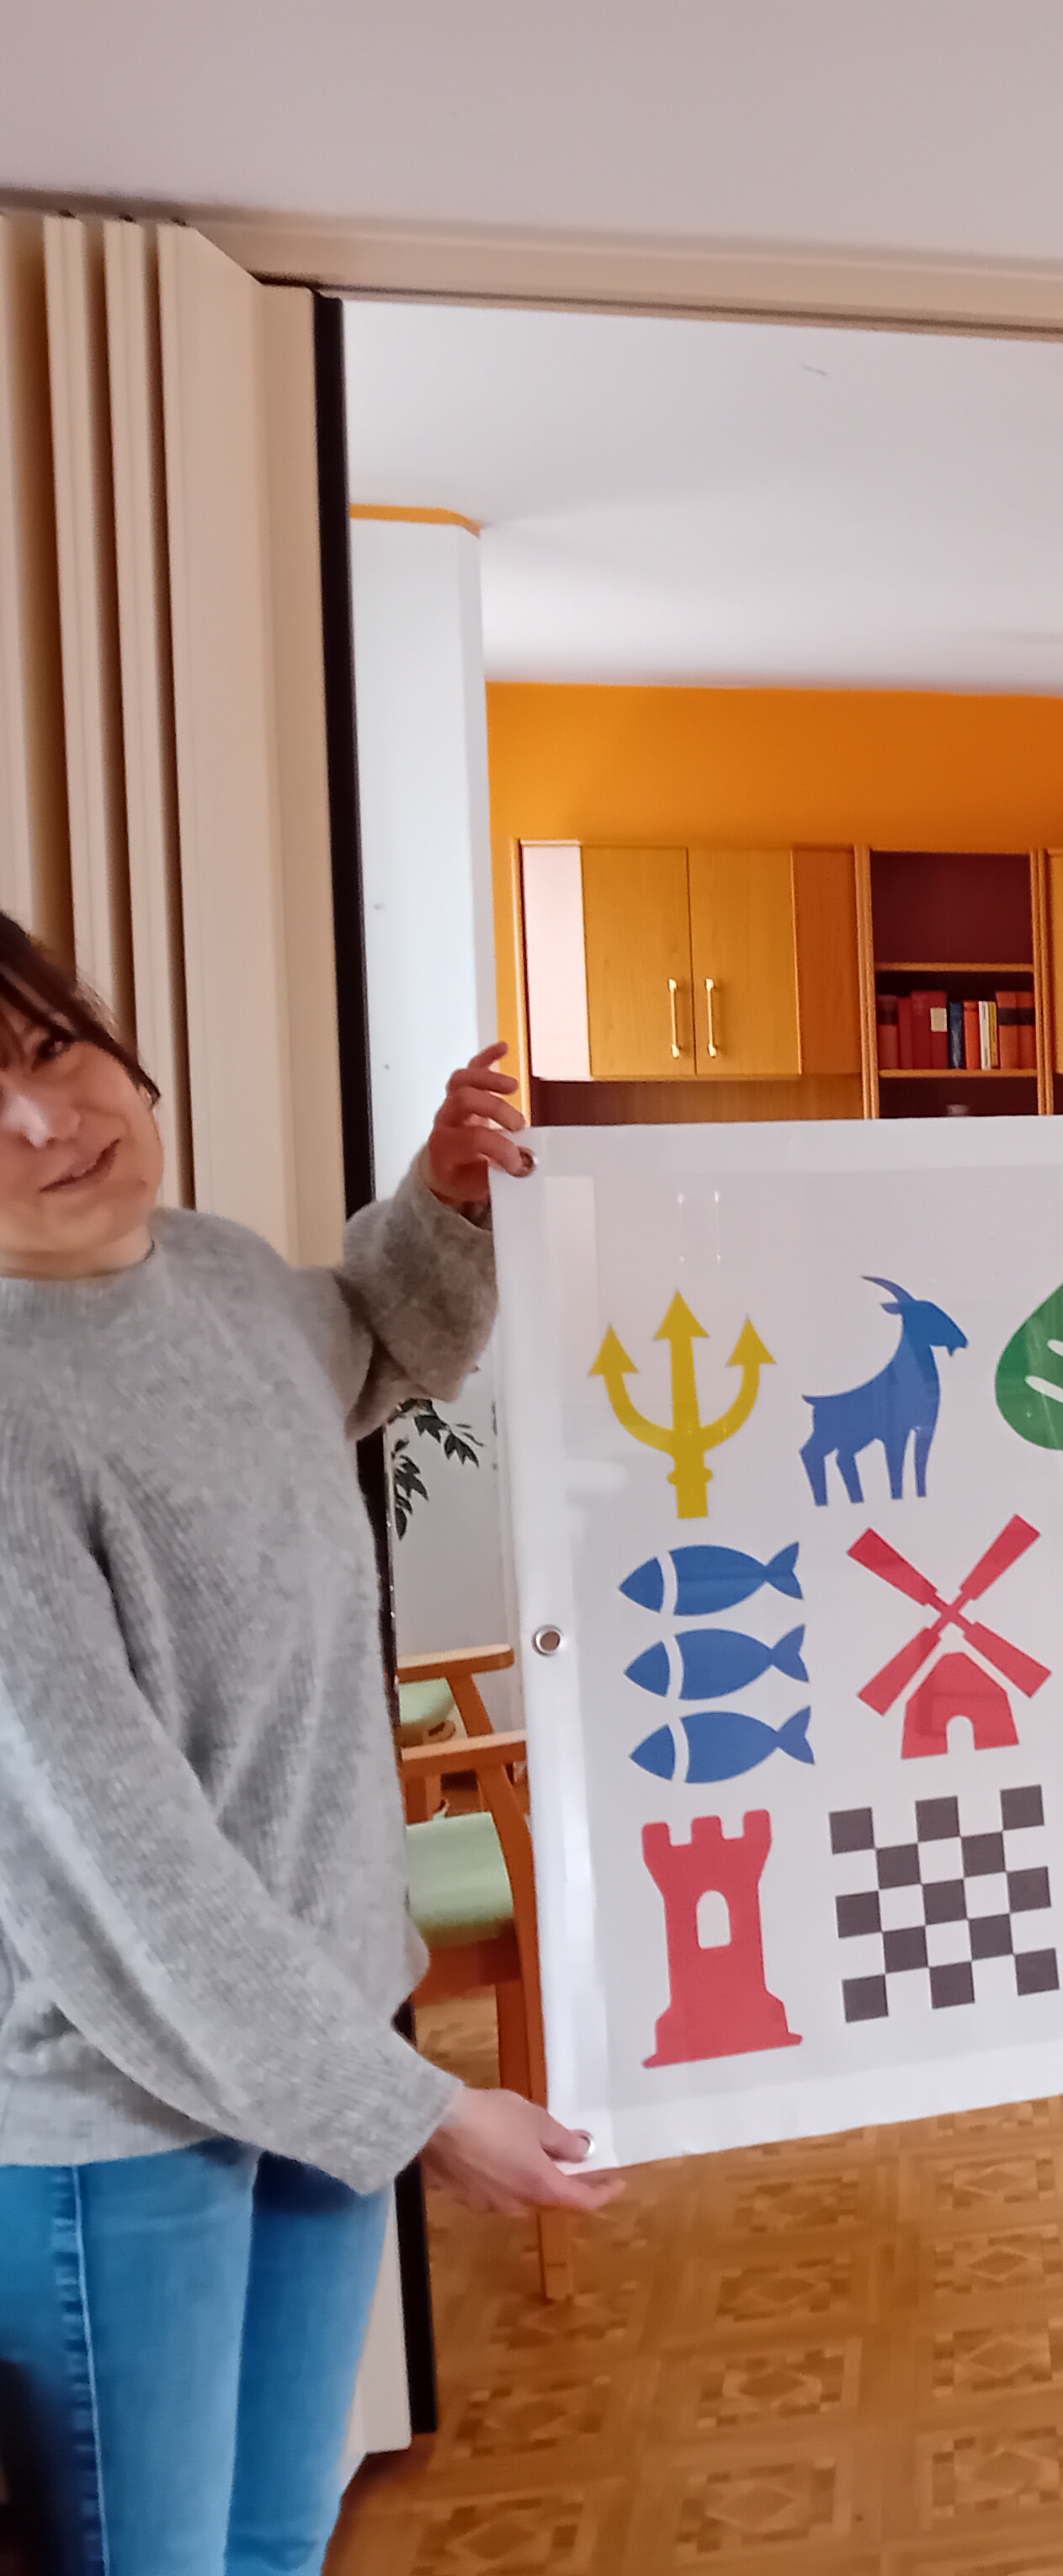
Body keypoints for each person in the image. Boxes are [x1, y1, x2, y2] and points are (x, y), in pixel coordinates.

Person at [0, 913, 621, 2576]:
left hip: (319, 2041)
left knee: (275, 2542)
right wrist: (417, 2110)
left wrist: (446, 1199)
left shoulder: (208, 1273)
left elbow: (363, 1340)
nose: (48, 1123)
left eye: (51, 1050)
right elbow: (127, 1868)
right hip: (119, 2122)